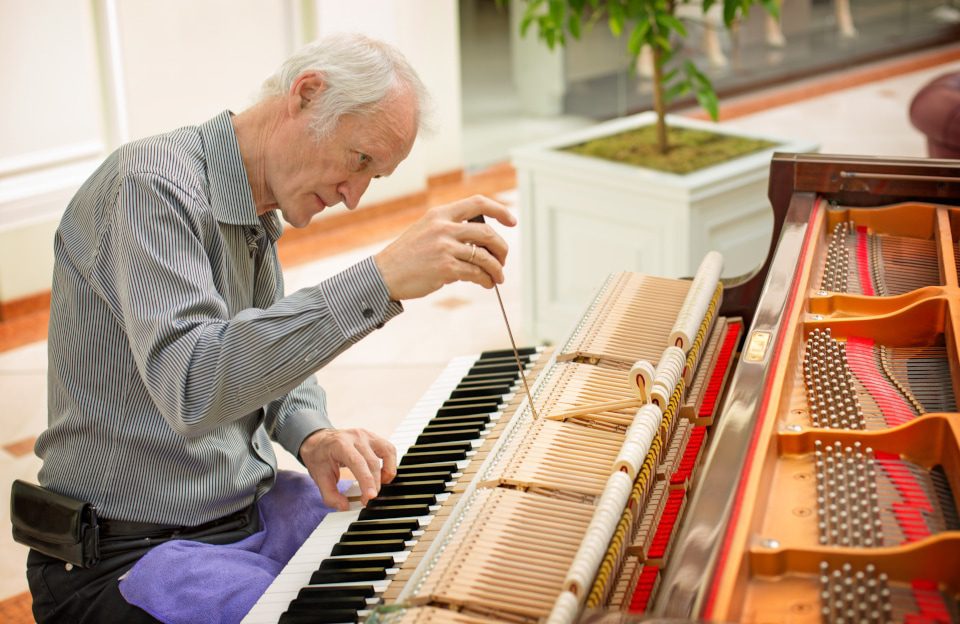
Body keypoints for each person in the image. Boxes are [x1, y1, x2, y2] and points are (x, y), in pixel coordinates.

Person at [25, 32, 515, 623]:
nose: (354, 197)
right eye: (360, 160)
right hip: (127, 550)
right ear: (306, 95)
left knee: (417, 556)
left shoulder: (253, 205)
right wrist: (380, 279)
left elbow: (260, 355)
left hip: (242, 512)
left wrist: (314, 435)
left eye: (375, 177)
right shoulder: (149, 186)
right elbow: (194, 384)